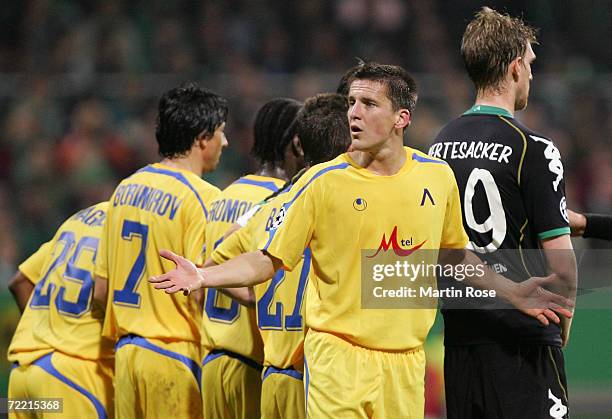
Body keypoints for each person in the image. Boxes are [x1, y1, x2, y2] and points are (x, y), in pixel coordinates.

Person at [150, 62, 573, 418]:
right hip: (338, 357)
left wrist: (513, 292)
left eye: (369, 104)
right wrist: (204, 276)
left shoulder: (436, 176)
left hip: (405, 363)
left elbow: (454, 255)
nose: (354, 113)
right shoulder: (322, 182)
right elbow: (267, 260)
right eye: (352, 102)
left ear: (401, 118)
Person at [428, 7, 577, 418]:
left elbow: (443, 247)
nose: (531, 74)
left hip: (459, 347)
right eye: (529, 64)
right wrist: (562, 318)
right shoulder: (535, 148)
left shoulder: (438, 147)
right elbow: (562, 270)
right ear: (514, 68)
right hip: (523, 344)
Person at [210, 93, 351, 419]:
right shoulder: (335, 203)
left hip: (262, 369)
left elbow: (214, 262)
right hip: (310, 375)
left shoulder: (248, 202)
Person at [93, 83, 227, 419]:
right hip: (174, 356)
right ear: (202, 138)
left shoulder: (125, 188)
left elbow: (100, 291)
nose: (225, 142)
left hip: (127, 357)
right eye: (221, 133)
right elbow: (201, 292)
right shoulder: (203, 198)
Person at [200, 98, 302, 419]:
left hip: (212, 362)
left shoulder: (222, 197)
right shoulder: (279, 204)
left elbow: (208, 273)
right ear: (296, 144)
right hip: (252, 365)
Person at [8, 202, 113, 419]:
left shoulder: (79, 220)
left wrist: (47, 333)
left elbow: (20, 282)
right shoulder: (132, 224)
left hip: (22, 374)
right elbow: (102, 294)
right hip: (72, 378)